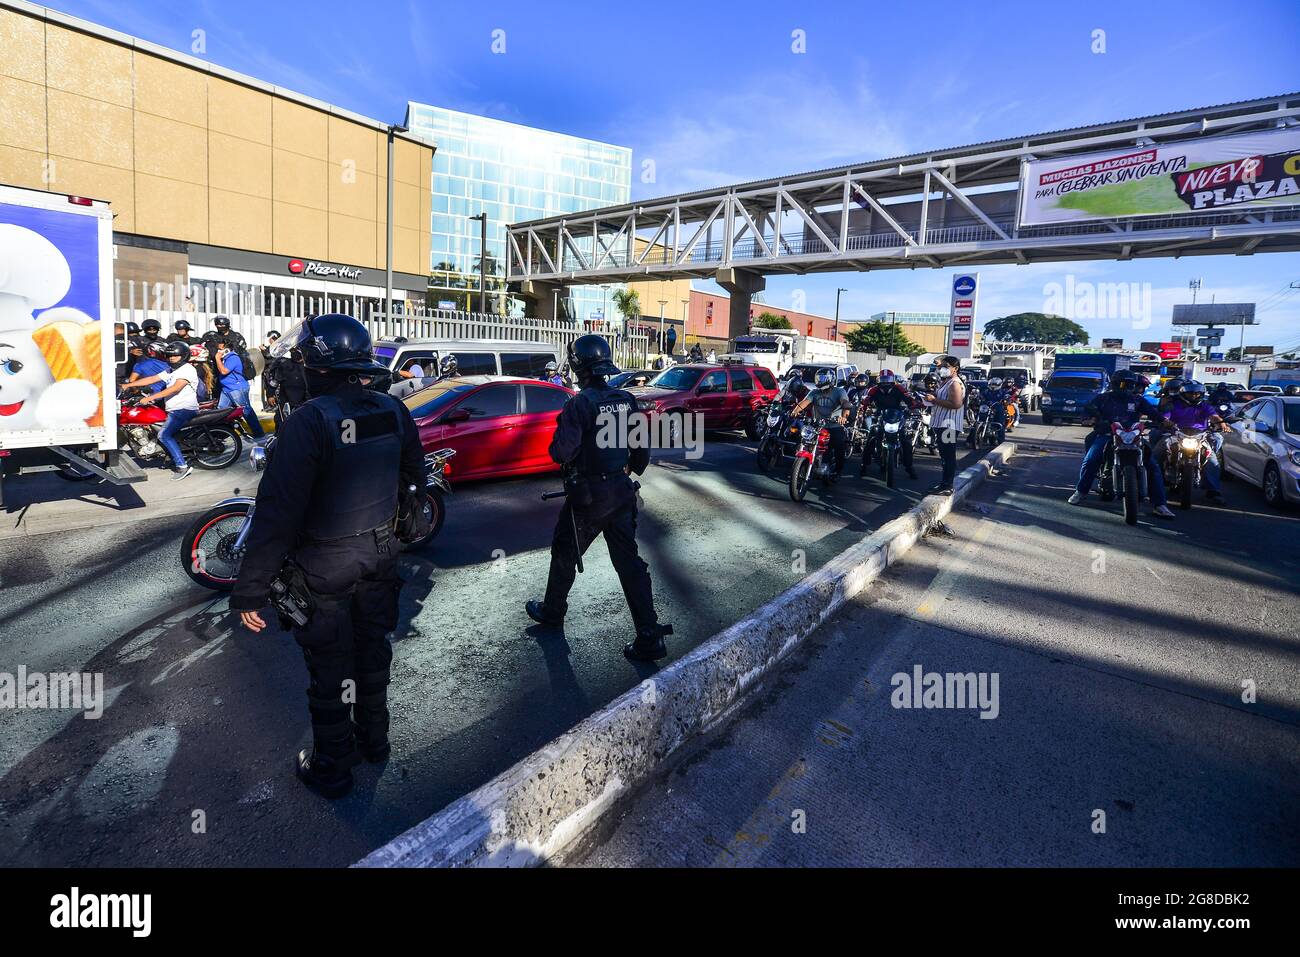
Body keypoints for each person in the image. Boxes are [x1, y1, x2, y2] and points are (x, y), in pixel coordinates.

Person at [231, 314, 427, 798]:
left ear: (316, 364)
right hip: (380, 558)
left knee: (330, 669)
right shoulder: (391, 410)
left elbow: (277, 515)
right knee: (373, 654)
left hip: (325, 568)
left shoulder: (309, 422)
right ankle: (374, 742)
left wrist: (249, 591)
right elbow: (414, 478)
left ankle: (332, 767)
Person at [524, 334, 672, 662]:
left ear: (578, 365)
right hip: (621, 492)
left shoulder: (580, 404)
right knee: (628, 563)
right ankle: (649, 636)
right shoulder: (626, 399)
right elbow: (641, 455)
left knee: (564, 550)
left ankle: (553, 612)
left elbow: (561, 452)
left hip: (589, 497)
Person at [1068, 369, 1175, 518]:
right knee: (1091, 459)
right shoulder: (1102, 398)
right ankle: (1081, 491)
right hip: (1107, 435)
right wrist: (1089, 419)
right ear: (1115, 384)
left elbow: (1154, 413)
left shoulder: (1138, 400)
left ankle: (1160, 504)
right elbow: (1087, 411)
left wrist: (1165, 422)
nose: (1127, 387)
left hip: (1133, 437)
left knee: (1152, 466)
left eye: (1131, 384)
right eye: (1124, 383)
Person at [121, 341, 201, 480]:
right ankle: (169, 455)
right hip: (174, 409)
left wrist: (150, 397)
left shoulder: (187, 369)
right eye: (169, 356)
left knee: (163, 435)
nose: (171, 358)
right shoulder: (171, 370)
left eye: (175, 356)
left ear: (183, 356)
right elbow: (153, 378)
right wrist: (128, 385)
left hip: (183, 409)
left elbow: (175, 388)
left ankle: (182, 467)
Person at [1156, 379, 1227, 505]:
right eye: (1191, 393)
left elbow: (1214, 416)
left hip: (1200, 436)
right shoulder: (1173, 404)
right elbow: (1165, 416)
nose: (1194, 395)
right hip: (1176, 433)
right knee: (1156, 454)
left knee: (1213, 462)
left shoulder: (1205, 405)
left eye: (1197, 393)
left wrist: (1221, 423)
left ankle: (1213, 491)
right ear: (1183, 393)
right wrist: (1166, 421)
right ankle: (1153, 485)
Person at [791, 368, 851, 477]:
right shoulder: (814, 392)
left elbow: (845, 403)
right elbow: (805, 402)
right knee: (802, 439)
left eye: (822, 378)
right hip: (817, 425)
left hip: (834, 425)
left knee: (838, 444)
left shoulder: (839, 391)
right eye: (818, 378)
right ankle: (802, 464)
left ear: (831, 379)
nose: (819, 381)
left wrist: (843, 416)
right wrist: (795, 411)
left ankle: (838, 470)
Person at [861, 370, 919, 479]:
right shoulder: (874, 390)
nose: (885, 383)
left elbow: (908, 399)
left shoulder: (899, 388)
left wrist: (913, 405)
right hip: (880, 416)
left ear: (893, 380)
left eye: (888, 380)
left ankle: (909, 467)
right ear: (879, 381)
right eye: (883, 380)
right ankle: (864, 465)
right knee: (870, 438)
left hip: (897, 416)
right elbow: (867, 400)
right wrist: (864, 407)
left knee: (905, 440)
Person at [924, 355, 965, 495]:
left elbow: (956, 404)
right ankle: (944, 483)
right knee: (944, 455)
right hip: (943, 423)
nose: (942, 369)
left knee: (948, 455)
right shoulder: (947, 382)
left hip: (950, 424)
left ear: (955, 369)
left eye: (946, 367)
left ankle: (948, 485)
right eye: (942, 366)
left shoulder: (954, 383)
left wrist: (934, 400)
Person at [215, 340, 266, 439]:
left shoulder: (233, 358)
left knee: (246, 410)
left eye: (220, 349)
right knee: (221, 411)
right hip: (227, 389)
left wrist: (217, 358)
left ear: (226, 349)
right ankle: (221, 435)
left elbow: (224, 371)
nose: (218, 351)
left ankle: (259, 433)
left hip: (237, 389)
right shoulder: (225, 358)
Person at [267, 345, 308, 428]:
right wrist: (270, 395)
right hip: (286, 403)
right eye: (292, 351)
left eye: (296, 350)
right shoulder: (285, 365)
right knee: (281, 423)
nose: (294, 353)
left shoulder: (310, 365)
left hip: (305, 403)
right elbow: (274, 382)